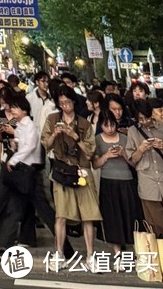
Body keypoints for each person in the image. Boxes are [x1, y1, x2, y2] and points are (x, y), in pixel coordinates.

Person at [0, 95, 61, 253]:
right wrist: (15, 146)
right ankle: (5, 243)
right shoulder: (19, 125)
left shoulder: (30, 125)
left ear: (24, 110)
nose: (11, 110)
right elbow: (21, 144)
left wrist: (13, 160)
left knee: (44, 211)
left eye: (15, 107)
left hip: (30, 172)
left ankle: (64, 246)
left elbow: (30, 146)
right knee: (15, 207)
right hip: (20, 172)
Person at [42, 86, 100, 260]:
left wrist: (75, 136)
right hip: (62, 170)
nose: (65, 106)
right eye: (61, 103)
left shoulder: (84, 124)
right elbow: (45, 144)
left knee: (88, 215)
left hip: (82, 170)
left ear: (74, 102)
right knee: (61, 214)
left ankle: (90, 254)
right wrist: (55, 134)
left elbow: (89, 152)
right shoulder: (52, 119)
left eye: (67, 102)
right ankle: (59, 252)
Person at [94, 107, 143, 254]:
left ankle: (135, 248)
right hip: (108, 181)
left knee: (130, 214)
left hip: (126, 180)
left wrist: (124, 154)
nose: (109, 129)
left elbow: (134, 163)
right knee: (112, 217)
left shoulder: (124, 138)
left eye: (112, 125)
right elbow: (95, 164)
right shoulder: (97, 140)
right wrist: (106, 156)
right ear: (101, 125)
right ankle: (117, 252)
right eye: (106, 125)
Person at [126, 99, 163, 240]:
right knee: (157, 225)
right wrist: (141, 149)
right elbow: (132, 160)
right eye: (140, 119)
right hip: (148, 183)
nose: (144, 121)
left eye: (146, 117)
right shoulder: (133, 132)